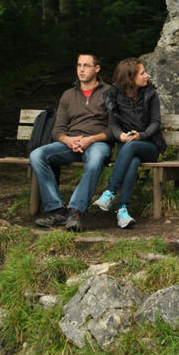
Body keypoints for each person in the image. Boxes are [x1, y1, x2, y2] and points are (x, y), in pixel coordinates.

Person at [31, 54, 112, 232]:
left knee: (96, 158)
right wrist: (67, 140)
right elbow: (57, 129)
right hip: (70, 144)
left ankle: (75, 212)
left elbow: (114, 129)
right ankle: (57, 210)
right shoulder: (68, 95)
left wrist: (90, 139)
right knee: (37, 155)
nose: (81, 70)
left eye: (86, 66)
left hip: (96, 143)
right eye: (79, 66)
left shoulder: (110, 93)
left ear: (97, 69)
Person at [93, 58, 165, 228]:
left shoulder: (151, 94)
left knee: (131, 147)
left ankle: (110, 192)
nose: (147, 75)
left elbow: (156, 122)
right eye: (142, 73)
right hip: (127, 146)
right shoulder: (113, 95)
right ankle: (122, 211)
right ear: (130, 78)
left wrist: (141, 135)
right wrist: (121, 136)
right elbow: (114, 125)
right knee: (132, 160)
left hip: (150, 145)